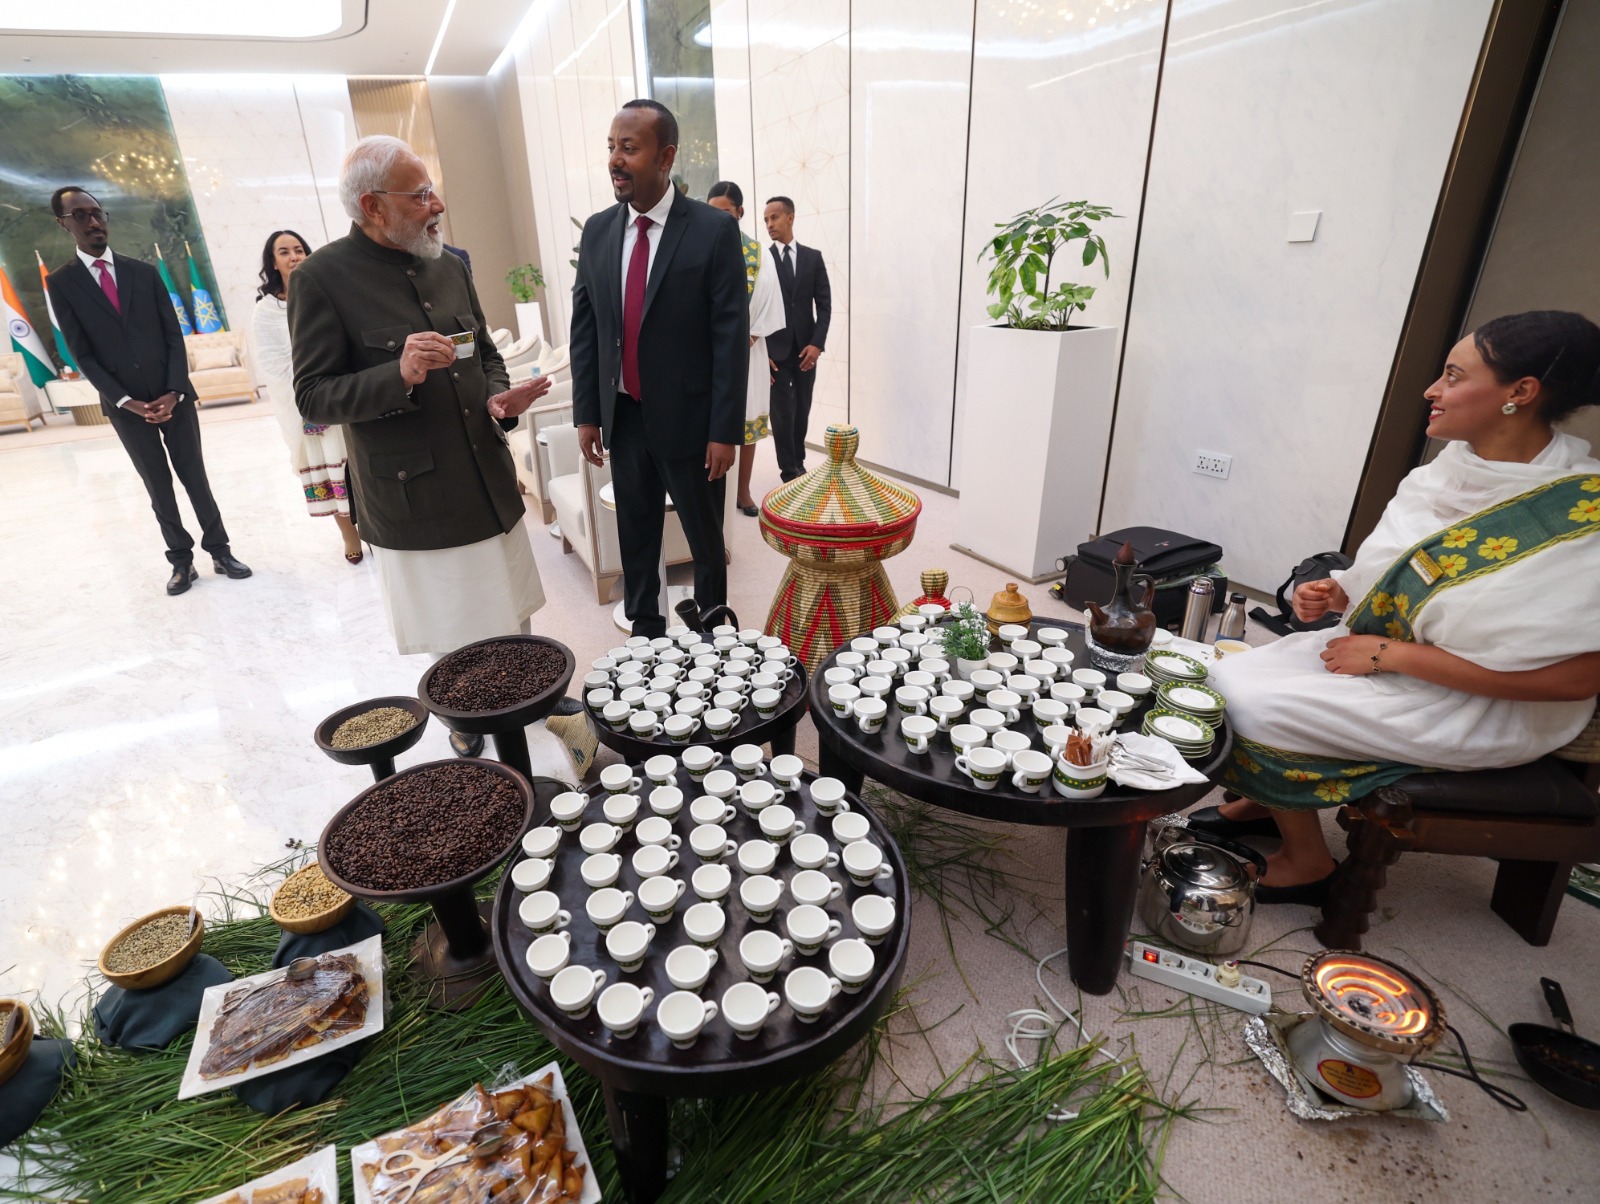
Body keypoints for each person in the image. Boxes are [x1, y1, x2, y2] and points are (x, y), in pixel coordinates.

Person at [1192, 311, 1600, 903]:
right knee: (1213, 678)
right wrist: (1339, 592)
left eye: (1454, 376)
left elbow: (1578, 679)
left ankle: (1307, 862)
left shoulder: (1579, 515)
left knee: (1248, 706)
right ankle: (1269, 800)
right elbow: (1402, 578)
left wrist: (1391, 654)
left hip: (1480, 701)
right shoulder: (1450, 469)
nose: (1433, 391)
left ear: (1520, 393)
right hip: (1389, 660)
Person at [288, 135, 551, 754]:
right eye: (421, 195)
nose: (437, 204)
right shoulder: (322, 278)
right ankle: (465, 719)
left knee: (514, 611)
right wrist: (396, 374)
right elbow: (313, 396)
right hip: (417, 497)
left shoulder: (449, 263)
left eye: (432, 190)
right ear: (373, 206)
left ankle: (528, 703)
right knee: (456, 627)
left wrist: (498, 397)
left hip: (487, 478)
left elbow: (484, 351)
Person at [569, 100, 748, 637]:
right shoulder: (600, 231)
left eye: (629, 148)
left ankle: (714, 637)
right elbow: (587, 329)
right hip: (624, 416)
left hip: (693, 423)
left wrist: (724, 431)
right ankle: (647, 633)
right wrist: (587, 413)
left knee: (704, 541)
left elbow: (729, 338)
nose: (615, 161)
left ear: (665, 156)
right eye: (611, 147)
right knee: (637, 532)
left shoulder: (712, 230)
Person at [47, 185, 251, 595]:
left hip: (173, 397)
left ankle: (220, 550)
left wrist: (175, 391)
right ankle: (181, 562)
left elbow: (174, 337)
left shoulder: (144, 272)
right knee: (157, 484)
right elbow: (81, 353)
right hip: (126, 407)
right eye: (81, 216)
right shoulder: (62, 283)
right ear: (64, 224)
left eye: (97, 212)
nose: (94, 222)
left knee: (195, 477)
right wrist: (127, 402)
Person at [250, 229, 363, 564]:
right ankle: (349, 535)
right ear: (273, 262)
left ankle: (373, 526)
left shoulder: (326, 292)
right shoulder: (267, 310)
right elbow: (270, 362)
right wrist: (309, 379)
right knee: (326, 470)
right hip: (307, 405)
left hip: (342, 393)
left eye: (298, 249)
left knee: (357, 466)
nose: (294, 256)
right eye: (284, 251)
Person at [707, 180, 785, 517]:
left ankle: (743, 491)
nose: (719, 219)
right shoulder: (700, 247)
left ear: (739, 212)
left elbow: (769, 296)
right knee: (712, 423)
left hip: (748, 350)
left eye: (725, 213)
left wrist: (750, 335)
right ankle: (713, 492)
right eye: (712, 213)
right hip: (707, 350)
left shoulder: (758, 253)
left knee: (747, 420)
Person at [763, 195, 831, 482]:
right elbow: (755, 309)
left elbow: (824, 305)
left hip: (806, 350)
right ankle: (789, 471)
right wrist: (760, 352)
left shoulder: (812, 258)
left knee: (802, 408)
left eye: (774, 217)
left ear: (790, 217)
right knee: (781, 415)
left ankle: (799, 461)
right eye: (766, 220)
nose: (769, 224)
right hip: (774, 351)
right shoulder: (762, 260)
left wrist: (816, 344)